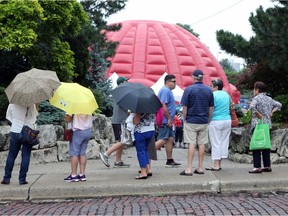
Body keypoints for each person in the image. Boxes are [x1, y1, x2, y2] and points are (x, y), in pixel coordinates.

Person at [180, 70, 214, 176]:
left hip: (191, 120)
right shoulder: (209, 90)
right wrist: (208, 118)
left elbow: (184, 107)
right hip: (203, 121)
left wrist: (184, 119)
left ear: (193, 78)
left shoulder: (189, 89)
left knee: (191, 143)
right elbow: (211, 107)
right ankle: (200, 167)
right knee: (202, 144)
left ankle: (189, 168)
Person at [248, 81, 282, 174]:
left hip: (258, 125)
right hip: (267, 125)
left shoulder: (256, 98)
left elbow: (251, 107)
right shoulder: (269, 99)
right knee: (266, 145)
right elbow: (279, 105)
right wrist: (272, 112)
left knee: (257, 145)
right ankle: (267, 166)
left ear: (257, 90)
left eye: (254, 89)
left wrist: (257, 113)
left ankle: (257, 167)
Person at [1, 103, 38, 185]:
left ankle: (6, 178)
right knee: (26, 155)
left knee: (11, 155)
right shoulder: (31, 104)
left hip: (15, 130)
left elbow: (9, 116)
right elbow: (34, 118)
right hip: (28, 132)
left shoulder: (12, 103)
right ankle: (22, 179)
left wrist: (16, 122)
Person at [99, 76, 130, 168]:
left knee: (120, 141)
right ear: (122, 83)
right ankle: (106, 154)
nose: (128, 83)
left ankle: (118, 161)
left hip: (116, 120)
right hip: (120, 120)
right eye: (126, 81)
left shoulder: (117, 92)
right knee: (124, 140)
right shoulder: (122, 93)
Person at [155, 74, 181, 167]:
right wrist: (169, 118)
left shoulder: (167, 91)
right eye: (174, 81)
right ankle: (146, 154)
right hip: (166, 120)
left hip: (168, 120)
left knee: (170, 139)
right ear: (167, 82)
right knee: (163, 139)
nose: (175, 83)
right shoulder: (165, 91)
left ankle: (169, 160)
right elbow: (163, 105)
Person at [206, 79, 231, 171]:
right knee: (224, 142)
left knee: (216, 142)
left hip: (216, 120)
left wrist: (208, 118)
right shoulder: (226, 95)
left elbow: (211, 108)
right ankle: (219, 163)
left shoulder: (213, 95)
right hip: (227, 120)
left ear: (216, 87)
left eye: (211, 86)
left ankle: (215, 164)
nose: (210, 87)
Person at [64, 114, 93, 182]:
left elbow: (68, 119)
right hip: (87, 131)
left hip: (78, 131)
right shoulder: (88, 105)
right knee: (82, 153)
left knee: (74, 153)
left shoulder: (74, 105)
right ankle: (82, 174)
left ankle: (74, 175)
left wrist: (66, 116)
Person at [132, 113, 155, 179]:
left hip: (141, 131)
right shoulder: (152, 105)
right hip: (151, 129)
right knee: (145, 150)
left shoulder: (140, 106)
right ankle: (147, 169)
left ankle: (143, 172)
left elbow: (136, 121)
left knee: (140, 151)